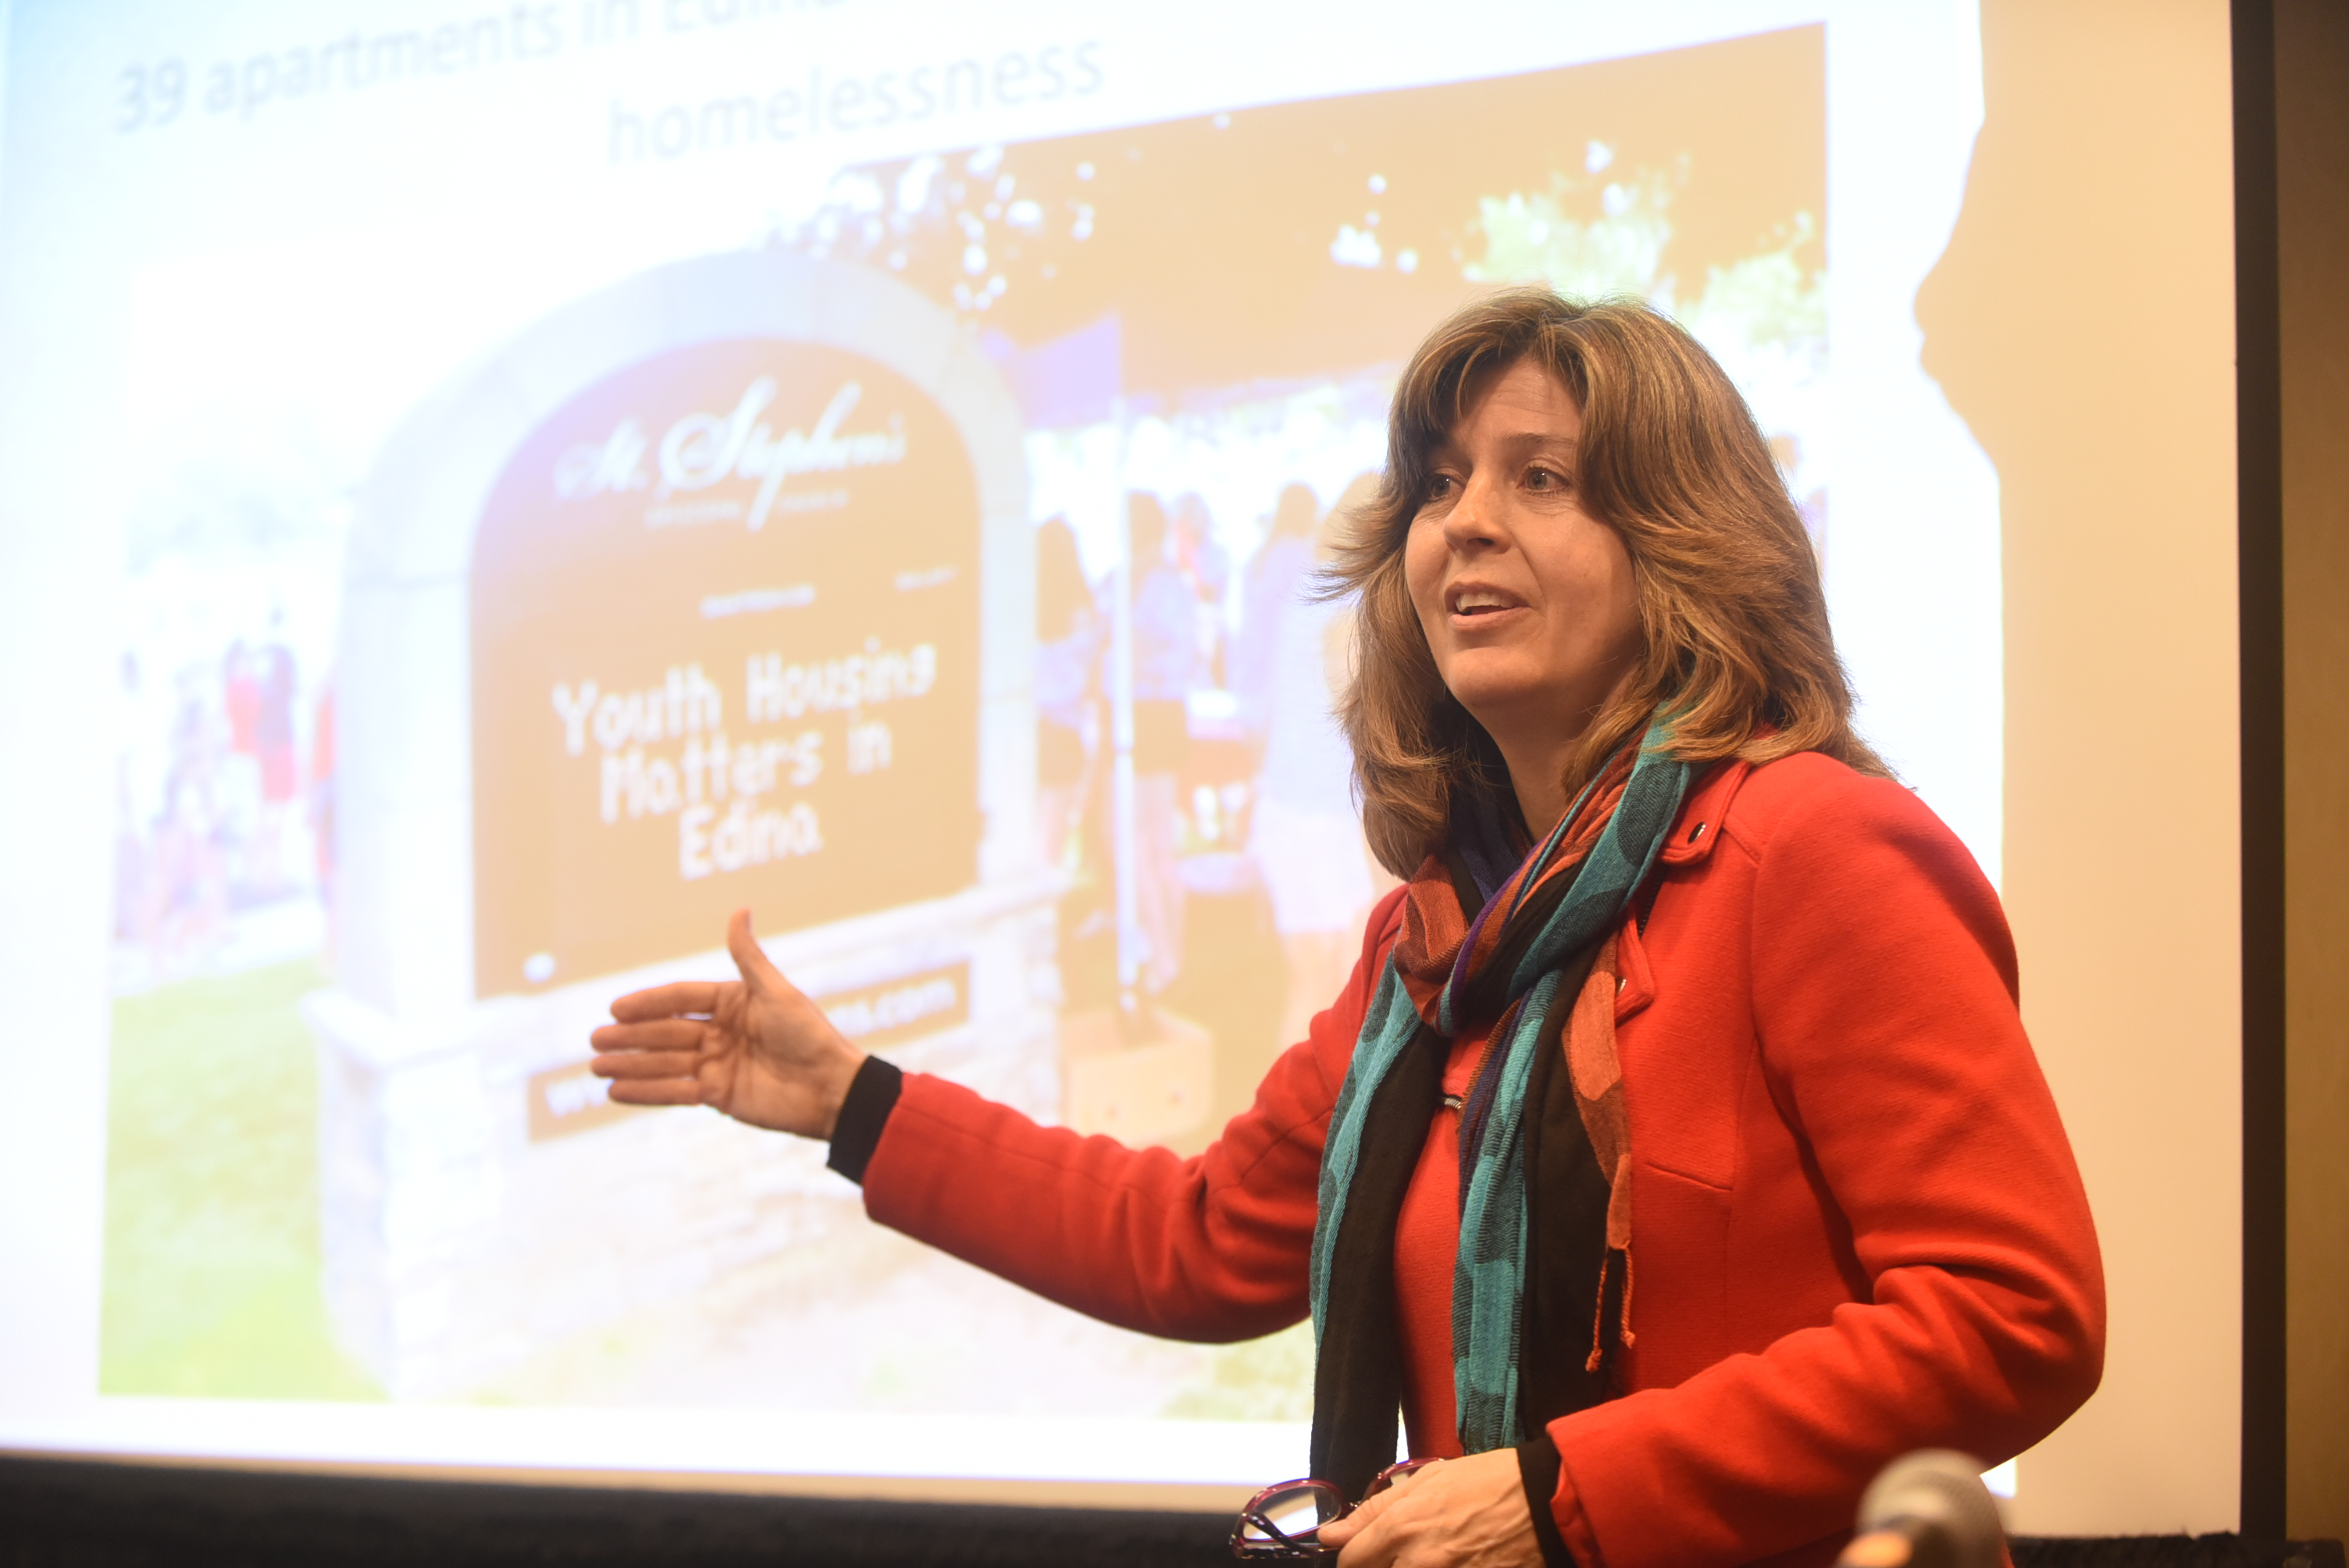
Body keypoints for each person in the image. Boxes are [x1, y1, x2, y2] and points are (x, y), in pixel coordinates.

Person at [590, 290, 2104, 1567]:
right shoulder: (1431, 945)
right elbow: (1192, 1238)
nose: (1466, 523)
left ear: (1683, 543)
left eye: (1542, 479)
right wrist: (853, 1101)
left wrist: (1558, 1496)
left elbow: (2012, 1311)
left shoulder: (1814, 850)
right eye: (1439, 485)